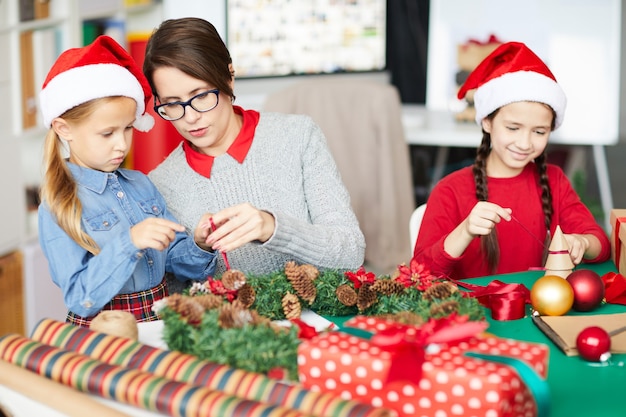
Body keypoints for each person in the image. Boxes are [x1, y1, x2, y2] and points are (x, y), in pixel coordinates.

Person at [142, 17, 365, 278]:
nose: (190, 117)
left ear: (229, 76)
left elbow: (351, 252)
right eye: (172, 103)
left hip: (314, 315)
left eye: (201, 96)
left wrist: (272, 228)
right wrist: (199, 248)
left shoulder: (298, 136)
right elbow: (174, 293)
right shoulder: (160, 183)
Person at [37, 35, 217, 326]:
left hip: (159, 320)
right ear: (64, 129)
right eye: (107, 133)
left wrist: (200, 242)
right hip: (105, 332)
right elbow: (80, 297)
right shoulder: (59, 204)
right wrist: (129, 242)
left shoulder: (140, 184)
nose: (121, 144)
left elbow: (176, 262)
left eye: (129, 128)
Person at [413, 41, 610, 280]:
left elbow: (601, 244)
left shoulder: (554, 180)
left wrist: (582, 242)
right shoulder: (450, 190)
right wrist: (464, 231)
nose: (525, 143)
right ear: (487, 121)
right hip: (472, 314)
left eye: (539, 132)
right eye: (513, 128)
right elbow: (419, 273)